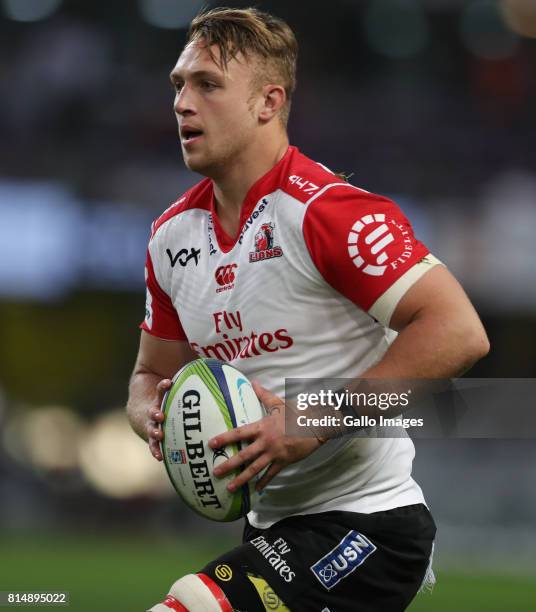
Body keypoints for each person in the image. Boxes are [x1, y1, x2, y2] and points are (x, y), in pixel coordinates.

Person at [126, 7, 490, 611]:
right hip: (271, 529)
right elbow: (148, 374)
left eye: (207, 85)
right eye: (179, 86)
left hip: (368, 524)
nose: (182, 104)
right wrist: (151, 415)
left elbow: (459, 332)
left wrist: (307, 420)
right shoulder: (169, 238)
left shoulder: (328, 212)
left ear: (268, 102)